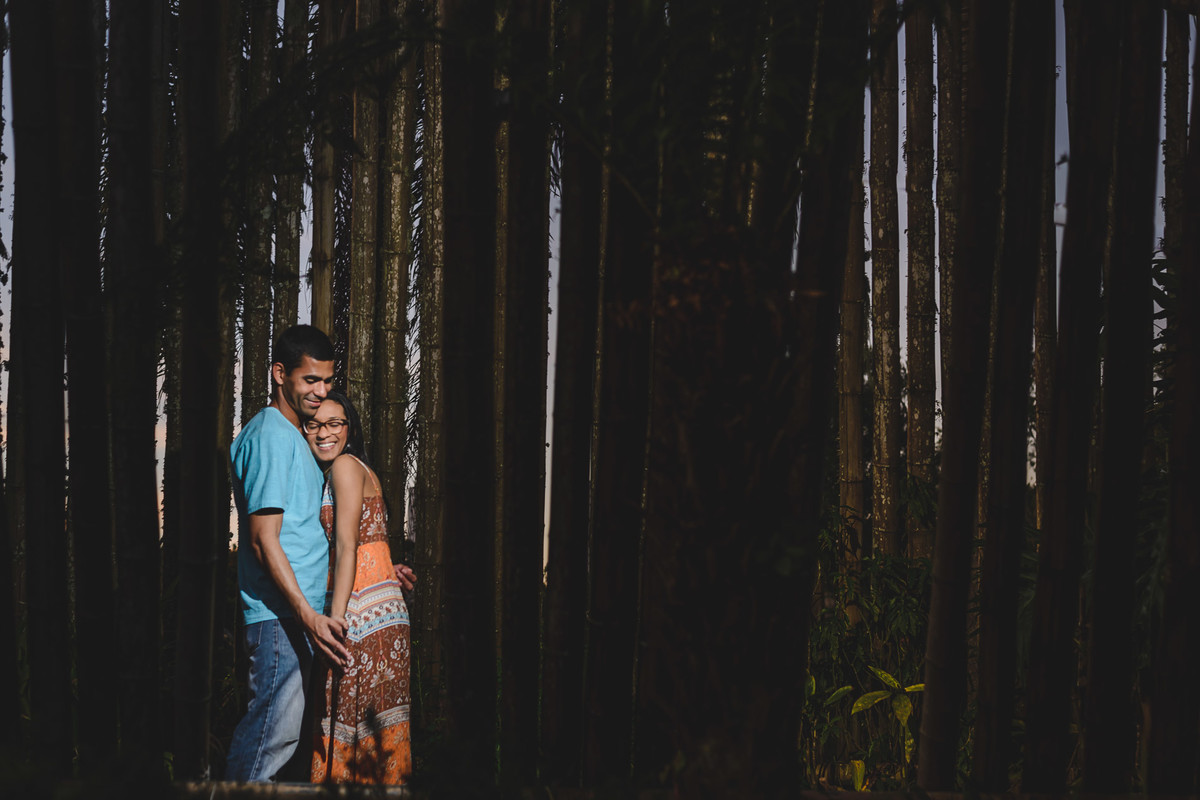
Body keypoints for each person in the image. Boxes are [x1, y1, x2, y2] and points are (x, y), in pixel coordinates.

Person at [225, 325, 351, 782]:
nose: (321, 392)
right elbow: (262, 539)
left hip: (302, 617)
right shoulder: (273, 436)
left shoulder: (295, 436)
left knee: (289, 748)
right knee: (270, 738)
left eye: (327, 381)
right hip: (282, 618)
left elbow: (306, 532)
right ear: (280, 374)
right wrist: (306, 615)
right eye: (310, 380)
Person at [306, 391, 413, 784]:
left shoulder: (344, 467)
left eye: (334, 423)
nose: (323, 433)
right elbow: (374, 541)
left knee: (351, 725)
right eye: (314, 424)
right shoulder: (360, 468)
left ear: (349, 428)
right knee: (373, 731)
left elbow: (348, 545)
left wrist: (335, 620)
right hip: (380, 605)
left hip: (360, 613)